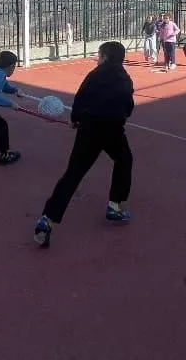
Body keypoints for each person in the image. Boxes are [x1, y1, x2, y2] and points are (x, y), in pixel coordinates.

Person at [33, 41, 135, 248]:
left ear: (105, 56)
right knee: (124, 159)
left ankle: (48, 219)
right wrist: (120, 116)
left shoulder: (95, 74)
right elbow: (128, 106)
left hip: (89, 129)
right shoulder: (125, 78)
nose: (98, 59)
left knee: (73, 173)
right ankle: (114, 206)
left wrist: (75, 118)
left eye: (99, 55)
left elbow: (81, 97)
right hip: (113, 130)